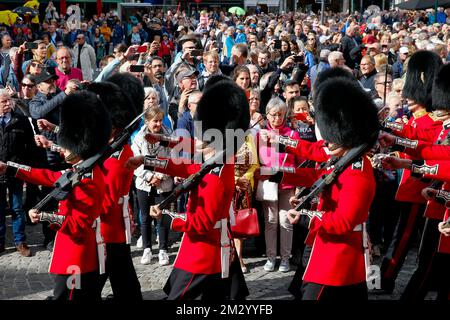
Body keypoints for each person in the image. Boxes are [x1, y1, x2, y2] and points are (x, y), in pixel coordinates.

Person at [126, 77, 250, 300]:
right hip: (205, 248)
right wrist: (149, 157)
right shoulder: (218, 159)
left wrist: (166, 216)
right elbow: (189, 161)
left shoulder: (217, 174)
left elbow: (201, 223)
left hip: (204, 251)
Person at [267, 75, 379, 300]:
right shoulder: (344, 158)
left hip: (337, 257)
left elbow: (343, 222)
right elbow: (320, 176)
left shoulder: (357, 171)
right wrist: (284, 174)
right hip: (329, 252)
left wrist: (305, 215)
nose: (326, 142)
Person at [0, 91, 112, 300]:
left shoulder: (88, 179)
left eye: (66, 145)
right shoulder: (80, 169)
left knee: (67, 297)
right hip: (73, 252)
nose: (63, 149)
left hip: (77, 256)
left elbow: (77, 224)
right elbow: (47, 175)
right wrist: (9, 168)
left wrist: (43, 216)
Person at [87, 82, 142, 300]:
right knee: (121, 272)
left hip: (109, 224)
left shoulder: (119, 158)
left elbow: (108, 199)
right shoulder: (110, 150)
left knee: (101, 270)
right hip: (113, 224)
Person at [257, 97, 301, 273]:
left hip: (287, 185)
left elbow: (300, 162)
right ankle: (270, 258)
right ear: (267, 115)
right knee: (271, 221)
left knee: (285, 221)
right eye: (273, 115)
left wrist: (298, 187)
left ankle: (285, 259)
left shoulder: (292, 135)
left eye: (280, 115)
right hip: (268, 184)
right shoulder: (260, 134)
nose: (277, 119)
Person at [131, 107, 174, 266]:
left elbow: (172, 159)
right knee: (145, 216)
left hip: (164, 182)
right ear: (147, 121)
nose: (158, 124)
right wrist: (150, 176)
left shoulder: (169, 135)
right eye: (154, 121)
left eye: (160, 120)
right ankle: (147, 249)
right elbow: (136, 161)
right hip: (144, 183)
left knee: (162, 215)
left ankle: (163, 249)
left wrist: (160, 176)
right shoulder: (139, 138)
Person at [0, 89, 36, 256]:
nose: (8, 104)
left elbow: (30, 146)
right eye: (4, 102)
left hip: (15, 170)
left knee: (17, 207)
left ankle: (20, 241)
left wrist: (25, 167)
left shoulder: (21, 120)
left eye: (9, 101)